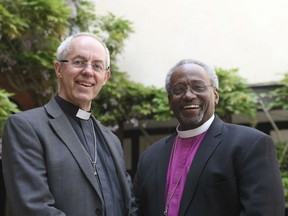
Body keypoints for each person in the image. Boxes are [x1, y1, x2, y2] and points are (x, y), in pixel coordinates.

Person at [131, 59, 285, 216]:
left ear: (215, 95)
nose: (188, 95)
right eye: (178, 90)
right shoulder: (150, 157)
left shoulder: (250, 145)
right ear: (170, 101)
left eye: (198, 87)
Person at [2, 32, 133, 216]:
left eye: (97, 66)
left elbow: (129, 205)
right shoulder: (27, 127)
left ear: (105, 77)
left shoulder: (111, 140)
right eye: (79, 62)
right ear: (58, 69)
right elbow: (33, 208)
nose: (88, 71)